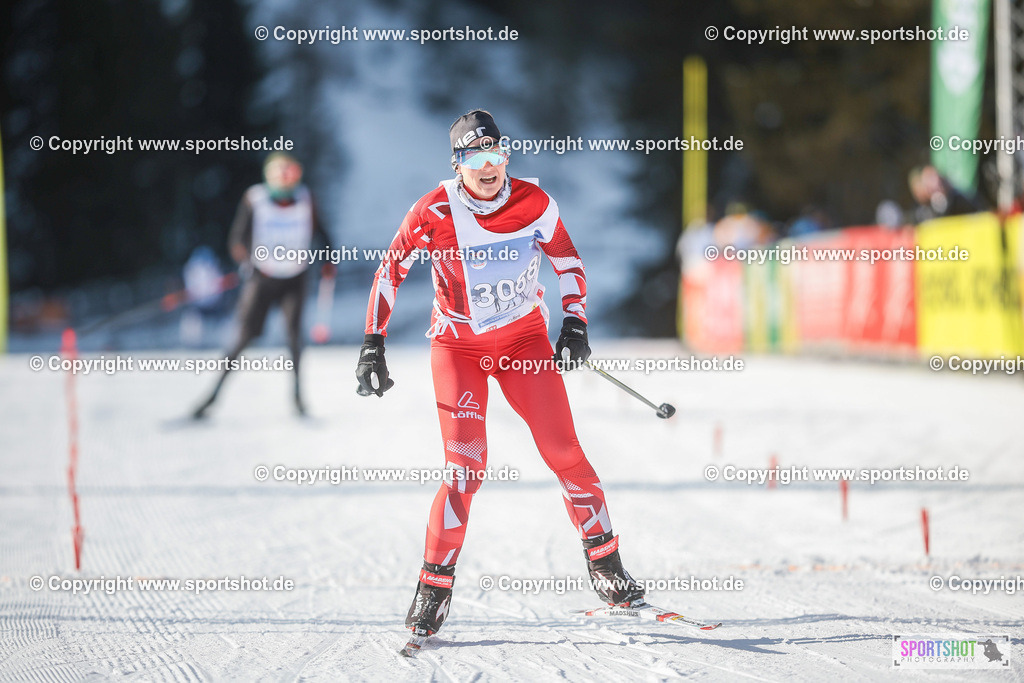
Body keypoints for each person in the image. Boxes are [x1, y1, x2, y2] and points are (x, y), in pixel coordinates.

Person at [355, 110, 645, 641]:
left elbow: (568, 262)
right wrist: (374, 343)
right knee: (465, 469)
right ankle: (433, 587)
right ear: (457, 163)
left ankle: (606, 564)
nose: (488, 167)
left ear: (506, 156)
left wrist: (575, 322)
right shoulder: (432, 210)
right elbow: (390, 270)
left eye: (495, 154)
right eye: (474, 156)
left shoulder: (534, 202)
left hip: (523, 343)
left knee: (564, 450)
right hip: (458, 348)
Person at [193, 152, 334, 418]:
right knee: (244, 336)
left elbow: (323, 234)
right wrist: (249, 261)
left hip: (295, 278)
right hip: (262, 279)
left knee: (295, 338)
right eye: (281, 174)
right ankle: (211, 397)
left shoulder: (306, 199)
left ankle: (298, 400)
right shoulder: (254, 199)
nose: (286, 180)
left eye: (291, 173)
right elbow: (237, 240)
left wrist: (328, 259)